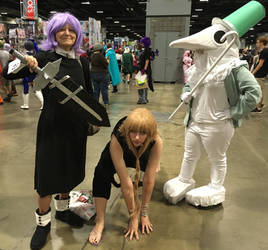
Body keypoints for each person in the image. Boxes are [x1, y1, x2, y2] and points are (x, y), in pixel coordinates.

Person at [3, 12, 93, 250]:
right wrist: (26, 62)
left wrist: (92, 121)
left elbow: (89, 96)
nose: (67, 34)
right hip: (52, 127)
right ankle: (43, 224)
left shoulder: (82, 61)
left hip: (76, 129)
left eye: (71, 30)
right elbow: (7, 73)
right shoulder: (43, 58)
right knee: (46, 176)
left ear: (77, 34)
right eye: (61, 30)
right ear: (53, 33)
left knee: (69, 171)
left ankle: (63, 211)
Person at [164, 1, 263, 207]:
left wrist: (233, 112)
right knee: (189, 154)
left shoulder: (233, 68)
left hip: (218, 124)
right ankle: (184, 179)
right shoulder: (198, 68)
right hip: (194, 121)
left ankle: (216, 186)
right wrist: (186, 93)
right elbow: (190, 85)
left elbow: (253, 93)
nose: (198, 52)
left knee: (217, 158)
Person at [88, 108, 163, 246]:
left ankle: (153, 163)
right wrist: (133, 216)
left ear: (150, 134)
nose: (136, 137)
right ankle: (100, 222)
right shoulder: (118, 137)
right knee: (100, 173)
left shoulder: (156, 141)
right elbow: (126, 183)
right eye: (133, 132)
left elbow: (148, 181)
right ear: (127, 131)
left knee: (151, 173)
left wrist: (143, 213)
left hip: (143, 152)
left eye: (142, 133)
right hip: (121, 150)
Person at [20, 39, 44, 110]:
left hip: (26, 73)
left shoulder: (25, 55)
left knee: (26, 88)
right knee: (35, 88)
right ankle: (42, 103)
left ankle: (26, 104)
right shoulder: (36, 53)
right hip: (34, 73)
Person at [91, 43, 109, 110]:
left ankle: (96, 103)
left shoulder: (92, 56)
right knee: (104, 89)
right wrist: (107, 61)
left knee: (96, 90)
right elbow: (105, 64)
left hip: (94, 74)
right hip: (102, 74)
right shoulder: (101, 56)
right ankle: (106, 103)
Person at [252, 35, 268, 112]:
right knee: (259, 90)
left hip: (260, 74)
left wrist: (253, 72)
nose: (256, 44)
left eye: (258, 42)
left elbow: (260, 64)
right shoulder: (264, 51)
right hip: (262, 74)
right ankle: (259, 104)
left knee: (259, 91)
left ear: (262, 43)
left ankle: (258, 108)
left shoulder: (264, 51)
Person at [138, 37, 153, 104]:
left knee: (141, 85)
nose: (141, 44)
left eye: (142, 42)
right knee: (144, 85)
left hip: (144, 70)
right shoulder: (147, 50)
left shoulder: (146, 51)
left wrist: (144, 69)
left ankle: (142, 99)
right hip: (144, 70)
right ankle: (145, 99)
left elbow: (147, 60)